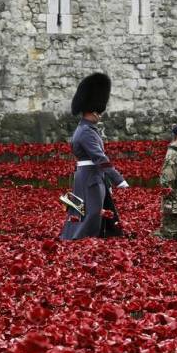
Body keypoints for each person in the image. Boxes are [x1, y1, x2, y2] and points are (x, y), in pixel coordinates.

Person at [60, 73, 129, 240]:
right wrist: (118, 178)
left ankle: (99, 236)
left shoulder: (88, 129)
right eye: (99, 112)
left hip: (91, 175)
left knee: (92, 209)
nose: (101, 114)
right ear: (93, 111)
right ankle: (80, 238)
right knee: (91, 212)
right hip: (90, 177)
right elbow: (100, 158)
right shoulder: (86, 132)